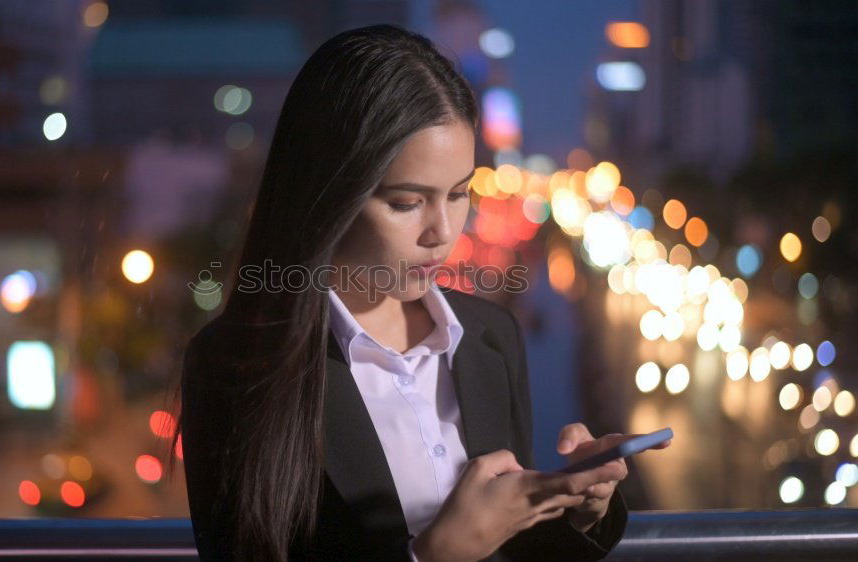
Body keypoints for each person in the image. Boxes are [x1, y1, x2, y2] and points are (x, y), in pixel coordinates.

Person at [174, 24, 669, 561]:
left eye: (459, 194)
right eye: (407, 202)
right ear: (330, 193)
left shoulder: (490, 335)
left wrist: (577, 505)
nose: (443, 232)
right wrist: (431, 555)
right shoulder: (236, 365)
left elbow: (513, 547)